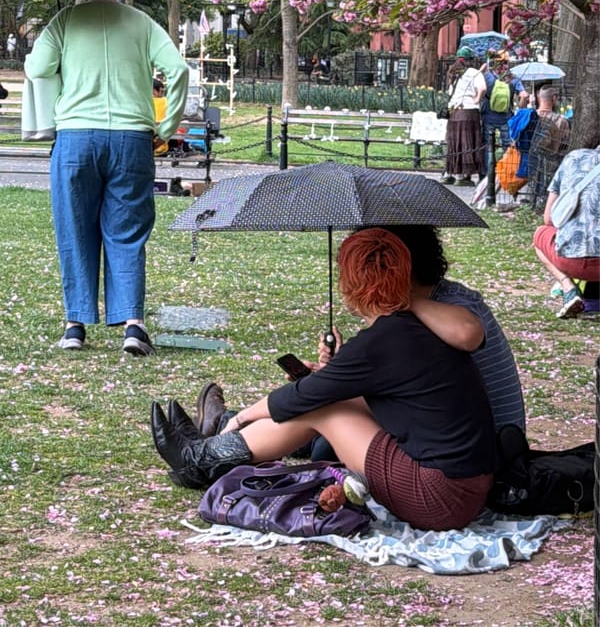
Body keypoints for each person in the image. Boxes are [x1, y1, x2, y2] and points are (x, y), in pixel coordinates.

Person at [152, 228, 496, 531]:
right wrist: (333, 374)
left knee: (323, 408)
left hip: (439, 497)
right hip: (466, 490)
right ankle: (210, 445)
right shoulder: (415, 330)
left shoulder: (381, 341)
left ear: (352, 284)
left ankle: (198, 459)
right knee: (327, 401)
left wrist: (243, 416)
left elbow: (303, 397)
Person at [25, 0, 189, 354]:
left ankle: (75, 326)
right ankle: (133, 325)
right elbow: (177, 70)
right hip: (132, 138)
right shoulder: (142, 22)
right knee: (128, 230)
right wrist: (165, 127)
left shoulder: (65, 21)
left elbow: (37, 67)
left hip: (76, 136)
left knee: (75, 228)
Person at [533, 137, 600, 318]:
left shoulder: (573, 158)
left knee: (540, 234)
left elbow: (549, 219)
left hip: (572, 262)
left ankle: (568, 288)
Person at [440, 47, 486, 186]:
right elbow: (482, 88)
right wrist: (477, 99)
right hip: (469, 111)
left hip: (454, 112)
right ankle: (462, 177)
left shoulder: (453, 72)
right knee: (467, 143)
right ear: (470, 60)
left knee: (455, 143)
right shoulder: (473, 72)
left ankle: (450, 173)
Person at [481, 56, 528, 174]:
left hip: (488, 114)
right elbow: (524, 95)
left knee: (487, 145)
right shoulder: (514, 79)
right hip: (506, 116)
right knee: (507, 144)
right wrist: (521, 107)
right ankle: (507, 172)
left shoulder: (487, 76)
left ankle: (487, 174)